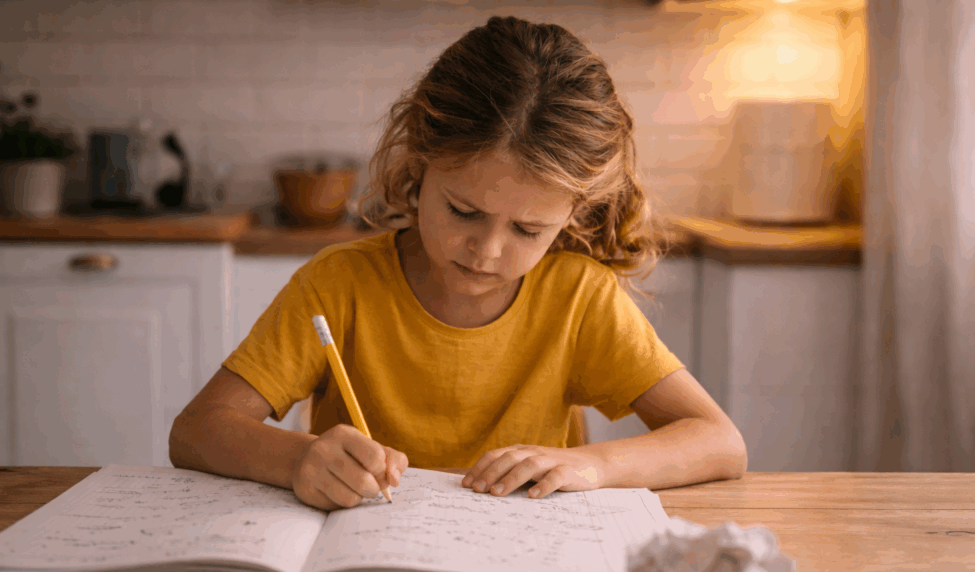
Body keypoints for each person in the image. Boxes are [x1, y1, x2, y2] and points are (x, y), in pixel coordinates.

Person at [169, 15, 747, 511]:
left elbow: (718, 441)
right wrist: (299, 459)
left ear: (574, 213)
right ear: (419, 163)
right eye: (463, 211)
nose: (486, 251)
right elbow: (197, 431)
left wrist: (593, 466)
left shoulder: (577, 298)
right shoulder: (338, 283)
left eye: (527, 228)